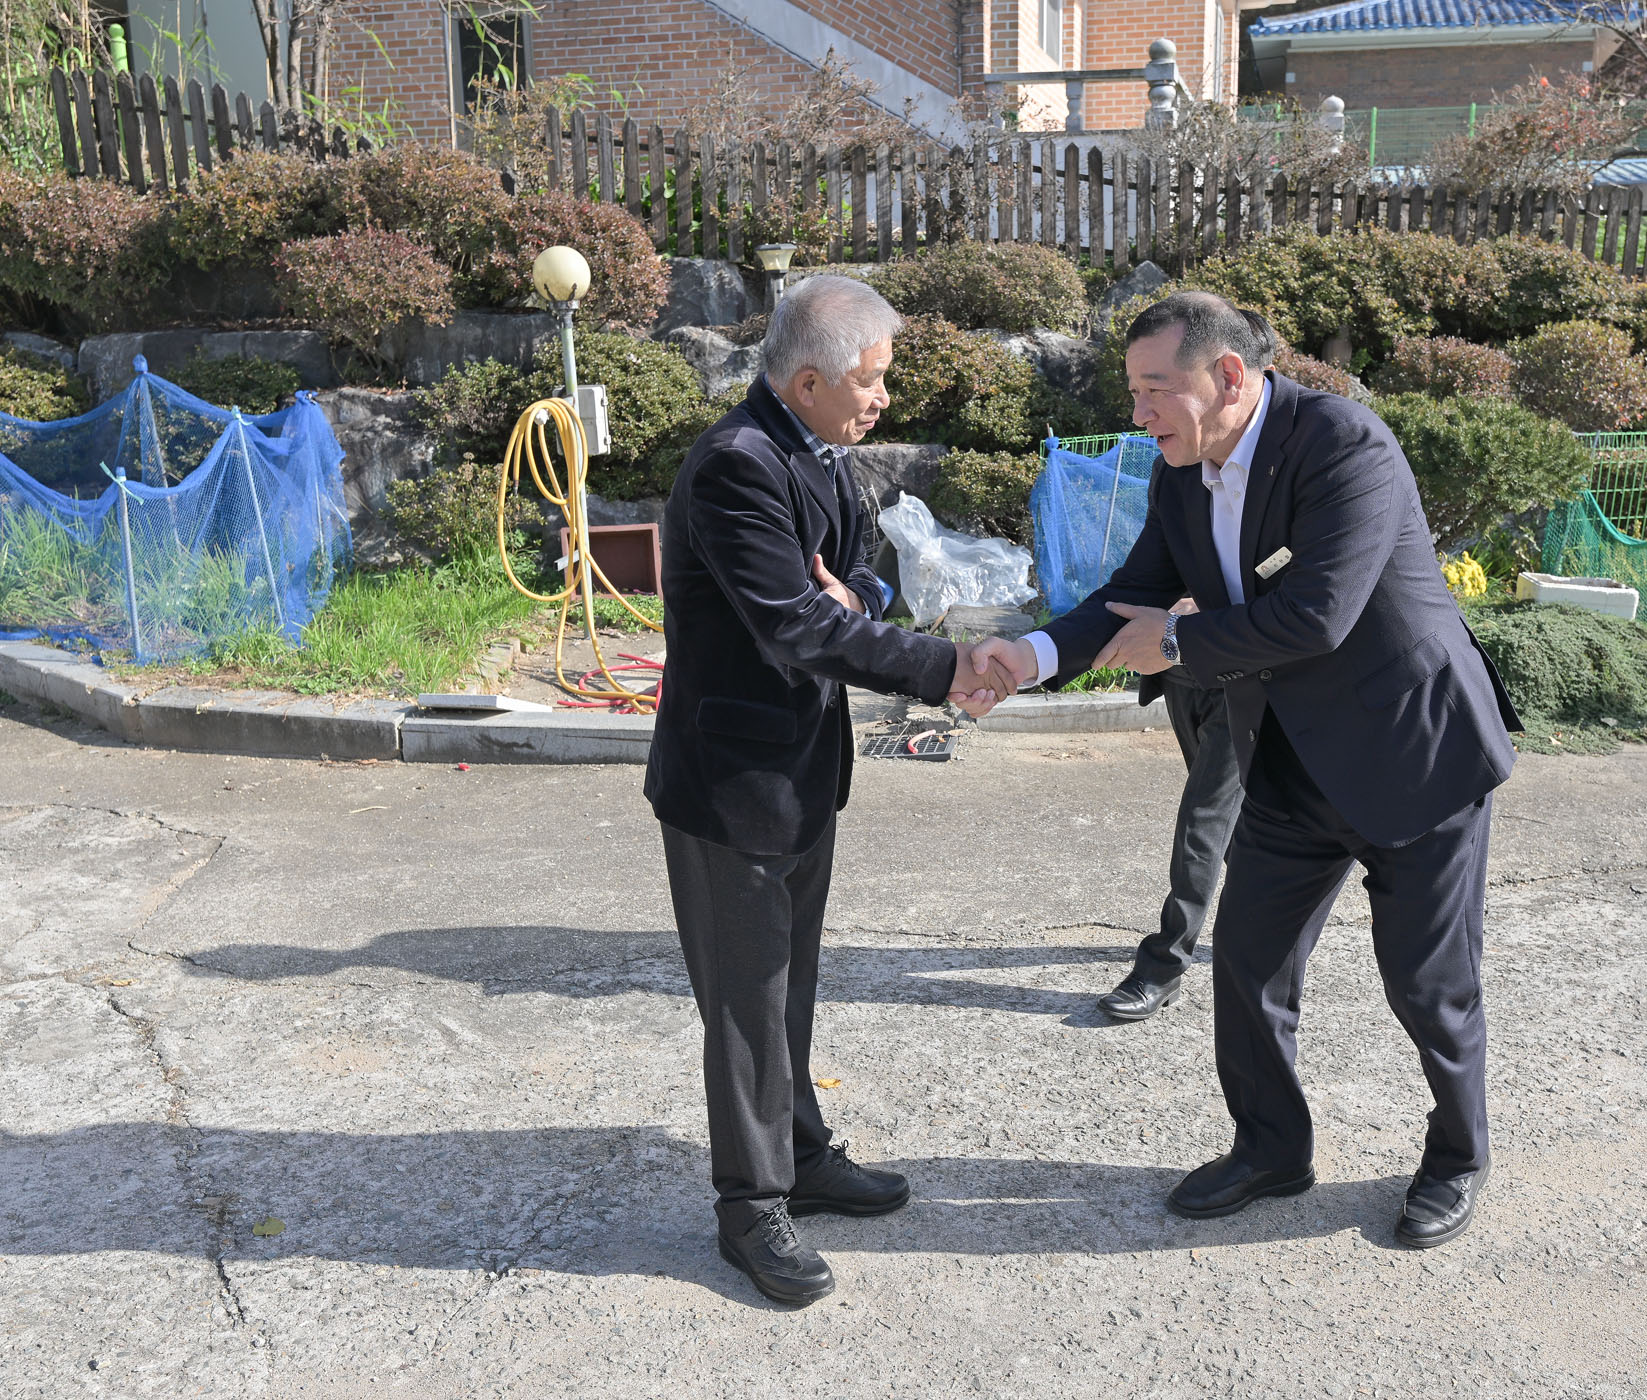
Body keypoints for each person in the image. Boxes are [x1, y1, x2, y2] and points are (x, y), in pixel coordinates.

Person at [975, 292, 1521, 1248]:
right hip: (1293, 763)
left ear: (1229, 376)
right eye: (1132, 390)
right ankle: (1272, 1149)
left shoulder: (1342, 443)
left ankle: (1457, 1155)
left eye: (1155, 388)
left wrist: (1177, 642)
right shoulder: (1182, 473)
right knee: (1248, 962)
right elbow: (1130, 596)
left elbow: (1318, 614)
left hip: (1411, 754)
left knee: (1428, 982)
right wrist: (1029, 657)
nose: (1139, 411)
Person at [645, 275, 1014, 1306]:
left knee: (789, 986)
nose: (883, 397)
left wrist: (862, 596)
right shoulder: (737, 464)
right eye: (870, 379)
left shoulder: (817, 451)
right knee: (746, 1003)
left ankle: (800, 1153)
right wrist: (943, 667)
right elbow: (796, 623)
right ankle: (750, 1204)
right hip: (732, 784)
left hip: (802, 769)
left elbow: (860, 576)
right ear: (806, 380)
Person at [1097, 598, 1244, 1022]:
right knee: (1231, 821)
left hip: (1240, 676)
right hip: (1179, 673)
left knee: (1203, 821)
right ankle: (1269, 925)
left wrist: (1209, 602)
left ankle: (1163, 966)